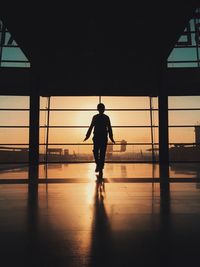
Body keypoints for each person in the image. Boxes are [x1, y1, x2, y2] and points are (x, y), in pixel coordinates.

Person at [84, 103, 115, 174]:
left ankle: (99, 165)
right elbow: (109, 128)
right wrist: (111, 137)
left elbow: (91, 127)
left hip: (97, 137)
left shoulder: (96, 117)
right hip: (103, 137)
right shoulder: (106, 117)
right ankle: (100, 166)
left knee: (96, 151)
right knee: (102, 153)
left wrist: (87, 135)